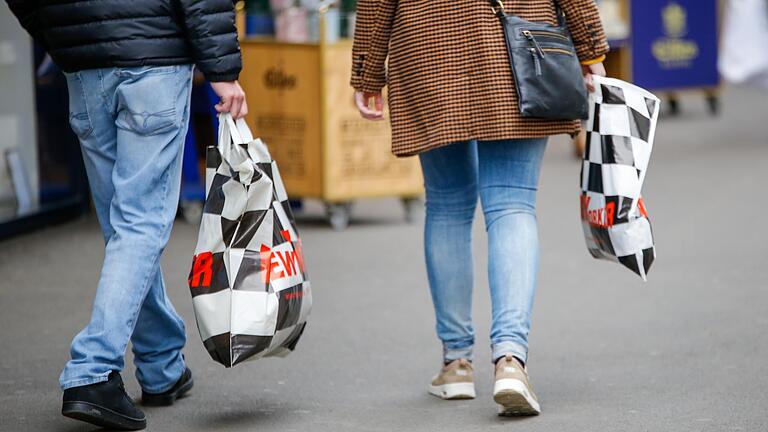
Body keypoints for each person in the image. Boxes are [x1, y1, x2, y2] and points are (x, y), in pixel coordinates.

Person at [351, 0, 608, 416]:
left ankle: (455, 364)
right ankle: (510, 359)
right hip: (519, 41)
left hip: (427, 42)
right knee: (513, 204)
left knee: (448, 205)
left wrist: (367, 70)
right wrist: (590, 48)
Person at [5, 0, 247, 429]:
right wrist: (223, 71)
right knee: (139, 225)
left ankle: (161, 366)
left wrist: (66, 42)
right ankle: (91, 369)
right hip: (153, 64)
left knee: (126, 230)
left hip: (85, 71)